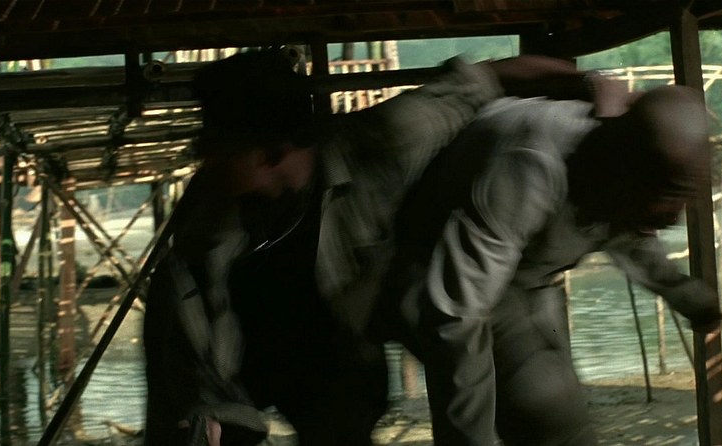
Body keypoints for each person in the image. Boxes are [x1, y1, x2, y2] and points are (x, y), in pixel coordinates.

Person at [143, 47, 627, 446]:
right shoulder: (207, 213)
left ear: (271, 153)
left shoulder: (380, 143)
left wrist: (593, 86)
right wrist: (204, 412)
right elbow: (185, 333)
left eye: (219, 149)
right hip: (249, 353)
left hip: (341, 351)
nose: (204, 161)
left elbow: (490, 78)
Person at [379, 84, 722, 445]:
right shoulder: (532, 165)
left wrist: (683, 292)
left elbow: (630, 234)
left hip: (516, 279)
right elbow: (457, 314)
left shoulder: (615, 168)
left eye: (682, 197)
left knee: (552, 409)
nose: (673, 217)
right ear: (626, 168)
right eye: (667, 195)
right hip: (428, 270)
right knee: (545, 406)